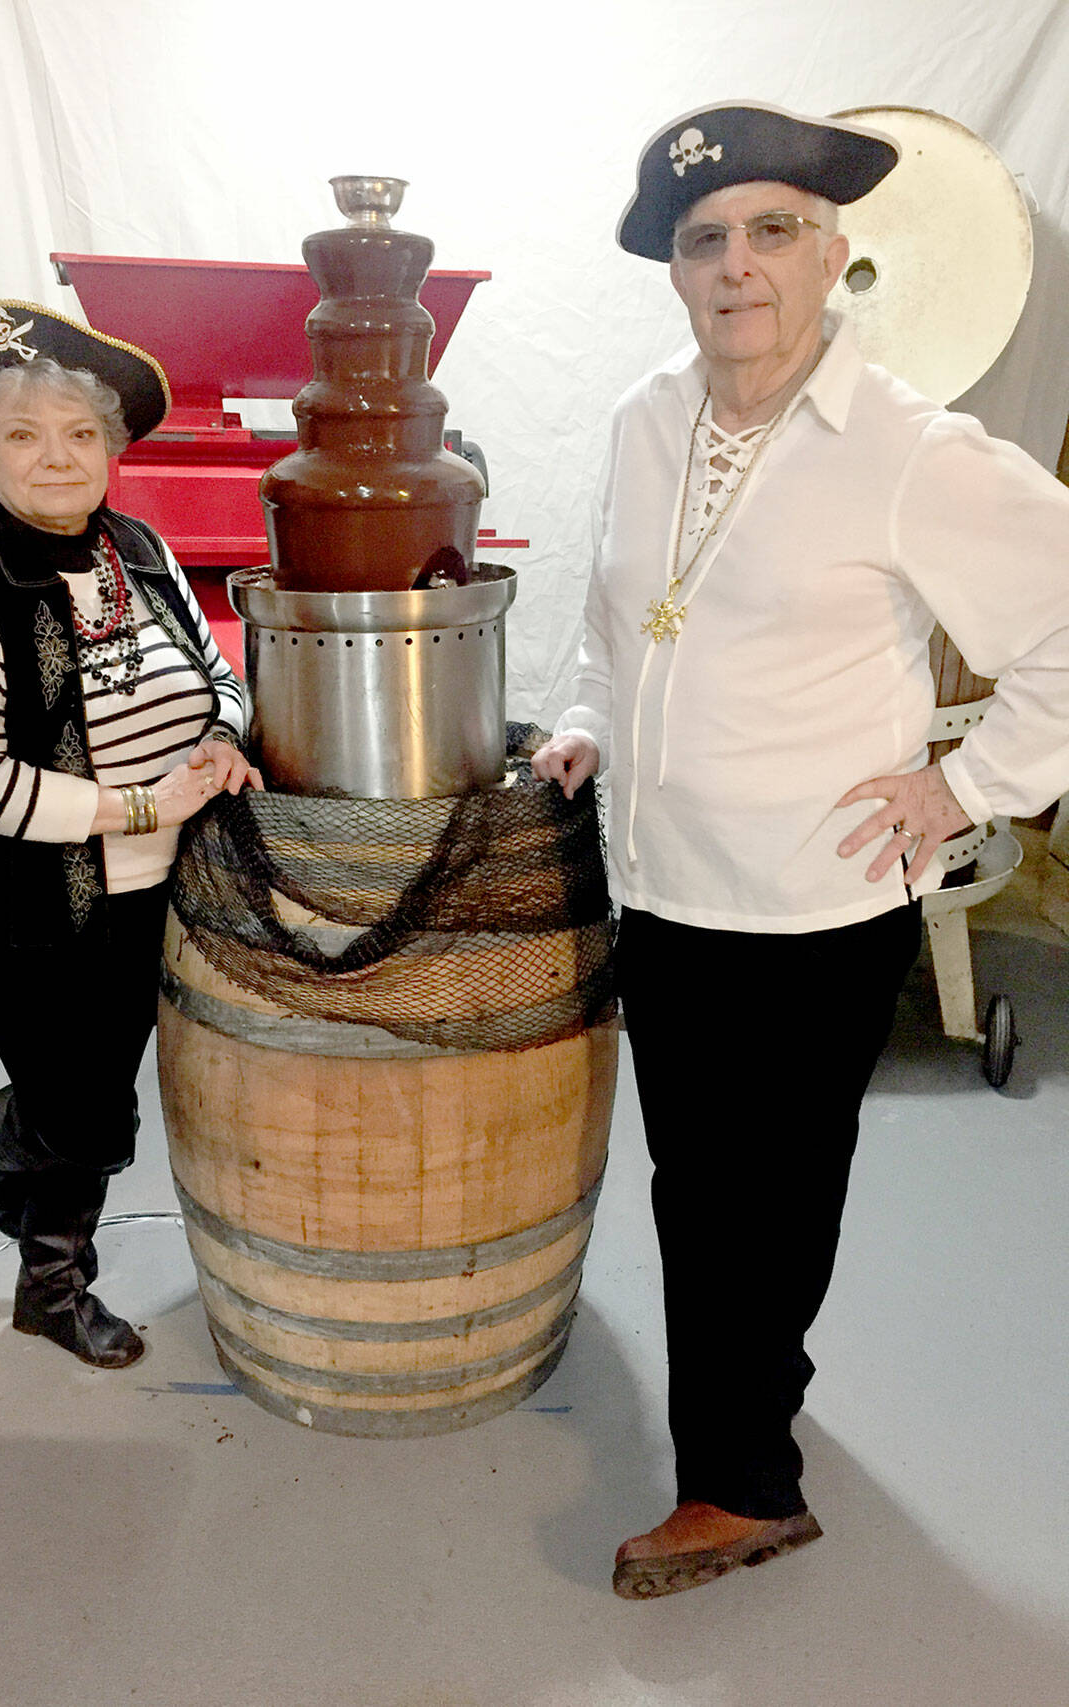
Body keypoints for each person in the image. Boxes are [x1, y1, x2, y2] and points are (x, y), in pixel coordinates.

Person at [532, 102, 1069, 1598]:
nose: (738, 264)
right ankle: (746, 1415)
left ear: (835, 251)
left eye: (775, 231)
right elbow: (611, 611)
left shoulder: (906, 446)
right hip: (667, 884)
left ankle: (745, 1487)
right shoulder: (650, 417)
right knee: (700, 1186)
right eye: (706, 239)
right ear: (676, 270)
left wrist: (974, 784)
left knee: (761, 1195)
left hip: (817, 904)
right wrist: (587, 716)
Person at [0, 301, 260, 1370]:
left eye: (78, 433)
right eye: (20, 435)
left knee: (91, 1092)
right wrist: (144, 807)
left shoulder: (136, 550)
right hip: (17, 905)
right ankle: (50, 1279)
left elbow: (215, 677)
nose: (56, 457)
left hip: (149, 890)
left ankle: (21, 1190)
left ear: (111, 448)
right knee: (85, 1112)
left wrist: (223, 743)